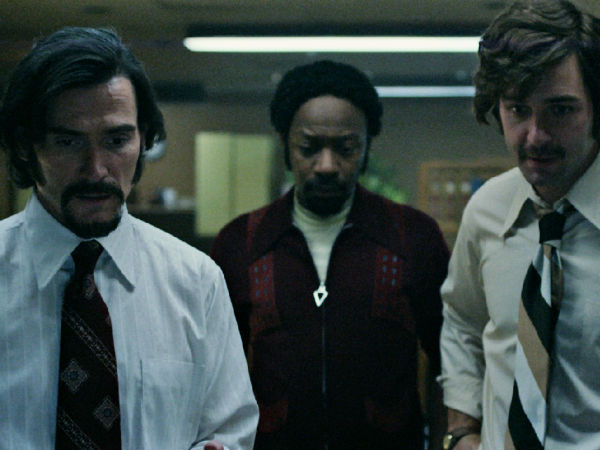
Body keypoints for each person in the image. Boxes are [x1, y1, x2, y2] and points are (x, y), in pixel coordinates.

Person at [0, 27, 258, 450]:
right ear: (27, 146)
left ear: (143, 139)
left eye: (117, 140)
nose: (96, 169)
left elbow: (229, 429)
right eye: (67, 141)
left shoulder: (195, 281)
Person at [210, 59, 449, 450]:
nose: (326, 165)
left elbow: (450, 360)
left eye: (346, 148)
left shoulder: (413, 237)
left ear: (367, 147)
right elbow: (213, 373)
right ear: (285, 145)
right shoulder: (242, 242)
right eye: (308, 148)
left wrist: (444, 441)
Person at [438, 1, 600, 449]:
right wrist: (461, 428)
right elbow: (462, 321)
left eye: (560, 110)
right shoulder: (487, 210)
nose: (535, 135)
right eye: (517, 110)